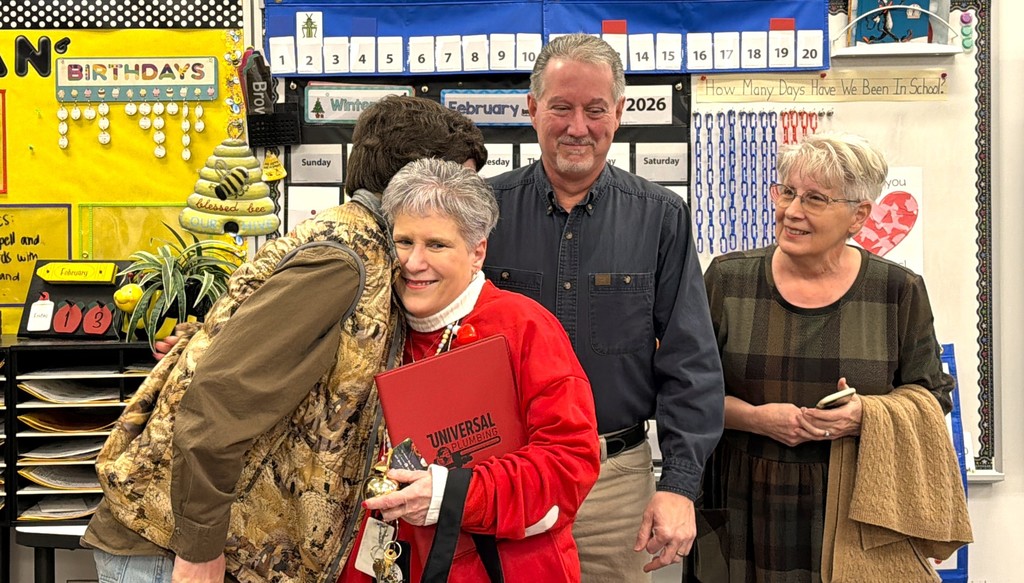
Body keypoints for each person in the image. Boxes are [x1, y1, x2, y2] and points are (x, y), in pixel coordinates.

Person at [82, 95, 488, 583]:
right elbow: (218, 398)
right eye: (457, 186)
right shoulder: (345, 262)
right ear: (411, 183)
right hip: (172, 549)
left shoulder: (360, 245)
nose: (465, 207)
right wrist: (199, 549)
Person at [484, 33, 725, 581]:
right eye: (561, 108)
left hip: (615, 487)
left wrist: (679, 484)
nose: (578, 127)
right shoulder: (481, 214)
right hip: (506, 475)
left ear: (618, 113)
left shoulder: (661, 217)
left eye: (595, 110)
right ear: (532, 109)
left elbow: (690, 360)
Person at [702, 132, 958, 581]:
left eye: (815, 199)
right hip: (737, 497)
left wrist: (865, 415)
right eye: (787, 192)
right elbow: (687, 393)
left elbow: (932, 398)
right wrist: (757, 419)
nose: (791, 211)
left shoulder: (897, 290)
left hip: (854, 508)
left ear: (859, 215)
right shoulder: (728, 279)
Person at [341, 158, 599, 582]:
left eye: (436, 245)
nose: (413, 262)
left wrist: (454, 495)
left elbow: (567, 466)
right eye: (404, 241)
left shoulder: (523, 327)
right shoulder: (371, 328)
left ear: (477, 251)